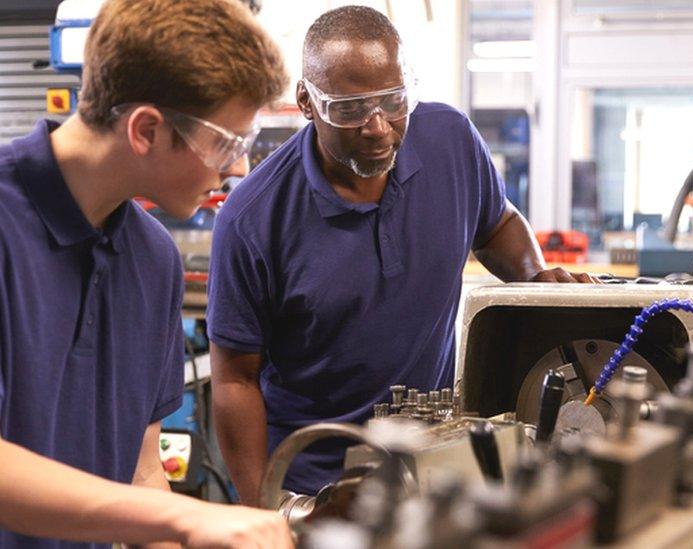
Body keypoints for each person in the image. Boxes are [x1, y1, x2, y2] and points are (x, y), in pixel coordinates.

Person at [0, 0, 293, 547]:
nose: (239, 166)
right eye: (226, 141)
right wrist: (190, 518)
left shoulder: (152, 260)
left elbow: (144, 472)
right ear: (145, 129)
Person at [207, 5, 593, 505]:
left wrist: (536, 282)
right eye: (350, 108)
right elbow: (235, 379)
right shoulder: (252, 219)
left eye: (393, 100)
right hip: (315, 484)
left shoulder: (449, 140)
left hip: (434, 462)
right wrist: (266, 509)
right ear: (306, 100)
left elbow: (496, 223)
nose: (378, 127)